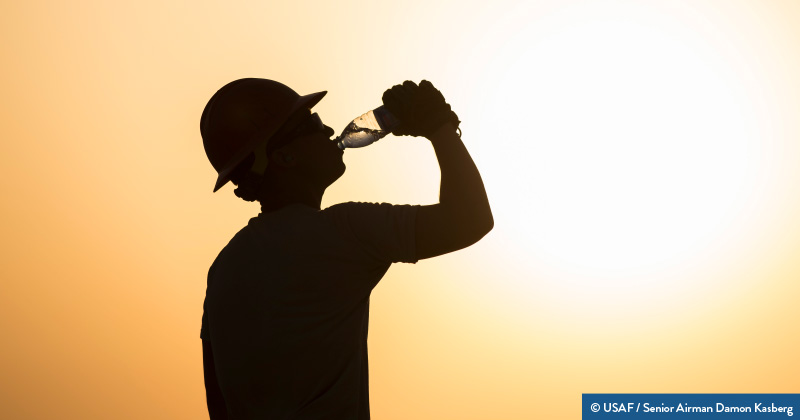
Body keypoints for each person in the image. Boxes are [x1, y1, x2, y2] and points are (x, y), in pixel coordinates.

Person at [199, 78, 493, 419]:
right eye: (309, 123)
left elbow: (218, 404)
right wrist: (439, 127)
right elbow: (470, 219)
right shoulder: (343, 232)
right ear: (284, 156)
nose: (326, 129)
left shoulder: (224, 268)